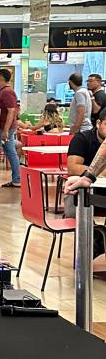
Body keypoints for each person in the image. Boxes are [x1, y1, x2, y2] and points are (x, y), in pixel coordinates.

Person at [60, 107, 106, 259]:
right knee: (76, 194)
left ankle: (98, 241)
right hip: (90, 193)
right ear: (98, 123)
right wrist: (88, 176)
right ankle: (93, 239)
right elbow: (73, 167)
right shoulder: (83, 138)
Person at [0, 69, 20, 188]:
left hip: (4, 128)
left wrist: (6, 130)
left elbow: (11, 111)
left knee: (9, 152)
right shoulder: (2, 92)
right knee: (8, 152)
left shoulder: (7, 92)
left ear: (1, 77)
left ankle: (17, 179)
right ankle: (17, 179)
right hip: (1, 127)